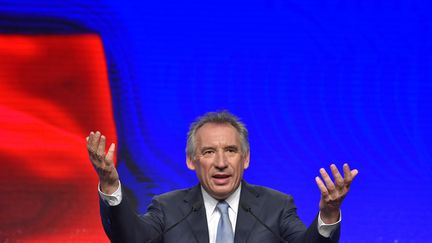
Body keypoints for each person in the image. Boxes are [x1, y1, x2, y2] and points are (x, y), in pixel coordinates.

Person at [87, 111, 358, 243]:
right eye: (208, 152)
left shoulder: (276, 207)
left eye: (230, 150)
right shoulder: (167, 209)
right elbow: (131, 239)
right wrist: (111, 185)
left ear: (246, 158)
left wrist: (329, 213)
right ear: (191, 161)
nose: (220, 162)